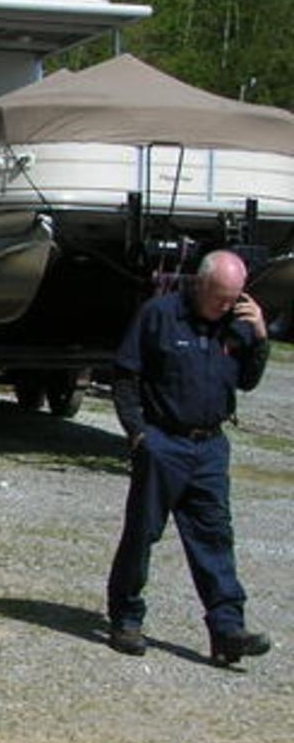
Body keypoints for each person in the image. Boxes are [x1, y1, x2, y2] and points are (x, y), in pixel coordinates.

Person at [106, 250, 273, 663]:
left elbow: (248, 382)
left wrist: (261, 338)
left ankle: (227, 630)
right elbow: (125, 375)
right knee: (142, 535)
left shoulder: (236, 325)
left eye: (233, 298)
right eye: (219, 297)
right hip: (164, 442)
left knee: (215, 538)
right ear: (200, 285)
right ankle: (126, 618)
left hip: (210, 448)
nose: (225, 306)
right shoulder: (159, 315)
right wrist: (138, 434)